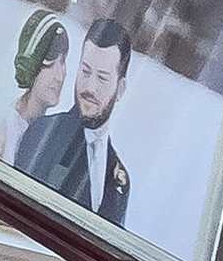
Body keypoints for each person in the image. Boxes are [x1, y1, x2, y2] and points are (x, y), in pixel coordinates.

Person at [12, 16, 134, 227]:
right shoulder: (43, 133)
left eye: (102, 78)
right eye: (85, 72)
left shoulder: (120, 179)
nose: (90, 88)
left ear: (120, 88)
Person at [0, 10, 70, 164]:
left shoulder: (48, 136)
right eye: (50, 64)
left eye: (63, 62)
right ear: (32, 64)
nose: (60, 76)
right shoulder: (5, 127)